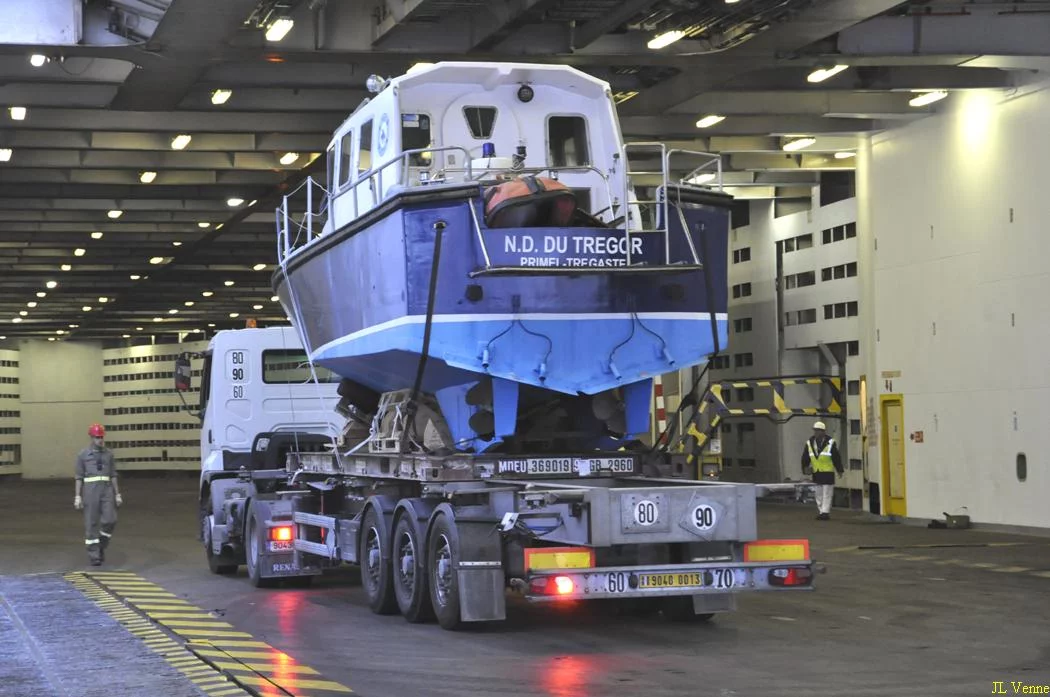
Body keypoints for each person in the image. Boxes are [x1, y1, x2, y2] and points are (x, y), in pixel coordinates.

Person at [74, 423, 122, 565]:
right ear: (91, 437)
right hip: (90, 490)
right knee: (92, 522)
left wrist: (117, 494)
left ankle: (101, 545)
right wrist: (77, 496)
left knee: (110, 520)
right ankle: (94, 555)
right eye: (97, 437)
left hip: (106, 489)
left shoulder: (108, 454)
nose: (100, 440)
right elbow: (79, 476)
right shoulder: (83, 455)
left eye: (101, 437)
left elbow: (113, 474)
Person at [801, 421, 843, 520]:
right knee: (818, 493)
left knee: (827, 493)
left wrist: (839, 469)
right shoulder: (809, 443)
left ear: (823, 431)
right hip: (817, 472)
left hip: (828, 472)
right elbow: (805, 457)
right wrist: (805, 467)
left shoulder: (830, 442)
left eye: (819, 431)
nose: (816, 433)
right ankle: (821, 511)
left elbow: (836, 457)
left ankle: (825, 512)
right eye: (815, 430)